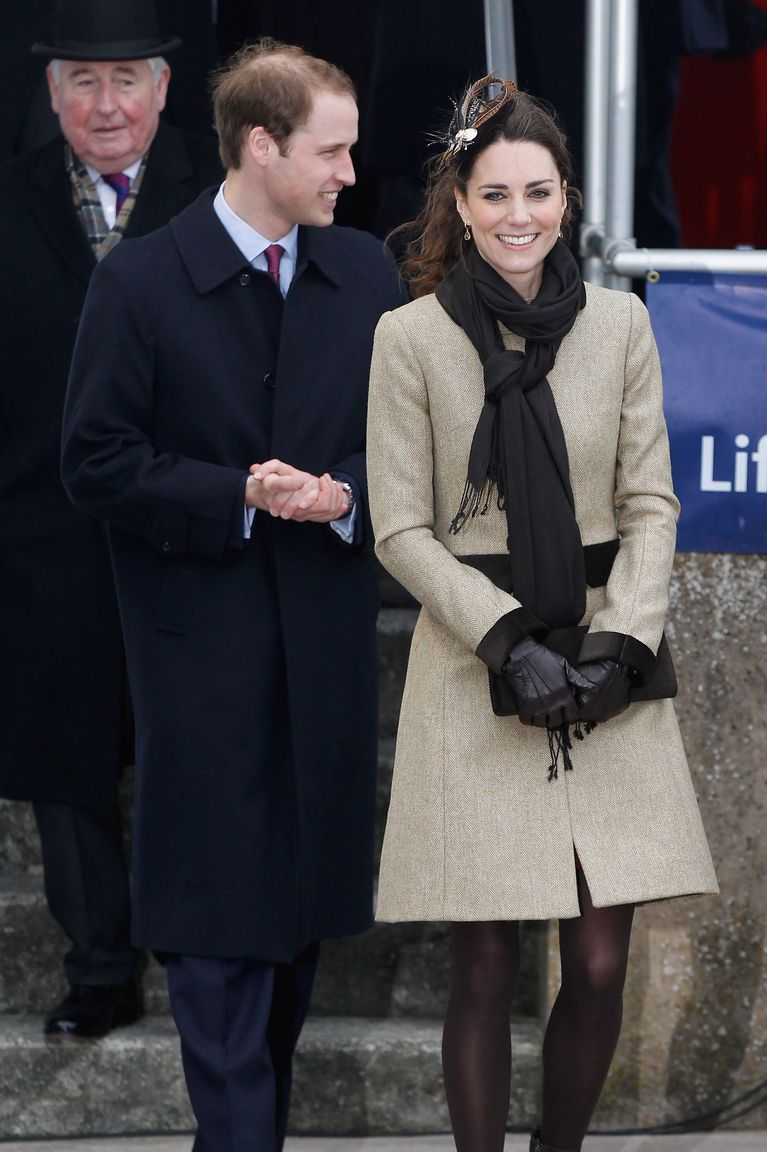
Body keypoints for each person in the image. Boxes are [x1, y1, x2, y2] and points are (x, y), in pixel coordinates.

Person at [61, 37, 403, 1152]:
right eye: (332, 152)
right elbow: (94, 460)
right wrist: (240, 495)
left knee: (295, 938)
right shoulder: (139, 281)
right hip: (199, 666)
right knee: (216, 943)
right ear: (261, 147)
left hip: (324, 657)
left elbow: (411, 451)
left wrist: (340, 494)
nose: (351, 175)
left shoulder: (365, 275)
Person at [366, 76, 718, 1152]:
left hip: (609, 655)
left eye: (540, 190)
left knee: (603, 957)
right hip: (481, 658)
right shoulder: (411, 338)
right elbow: (399, 527)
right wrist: (508, 644)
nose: (519, 214)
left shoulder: (621, 324)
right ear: (461, 205)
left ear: (568, 198)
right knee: (483, 959)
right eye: (496, 192)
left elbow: (652, 502)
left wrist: (625, 643)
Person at [0, 0, 222, 1039]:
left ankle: (197, 955)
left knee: (190, 747)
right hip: (45, 530)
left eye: (125, 78)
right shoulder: (10, 199)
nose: (105, 103)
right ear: (50, 94)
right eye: (81, 82)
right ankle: (97, 968)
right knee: (66, 757)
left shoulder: (220, 196)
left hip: (186, 520)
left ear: (165, 90)